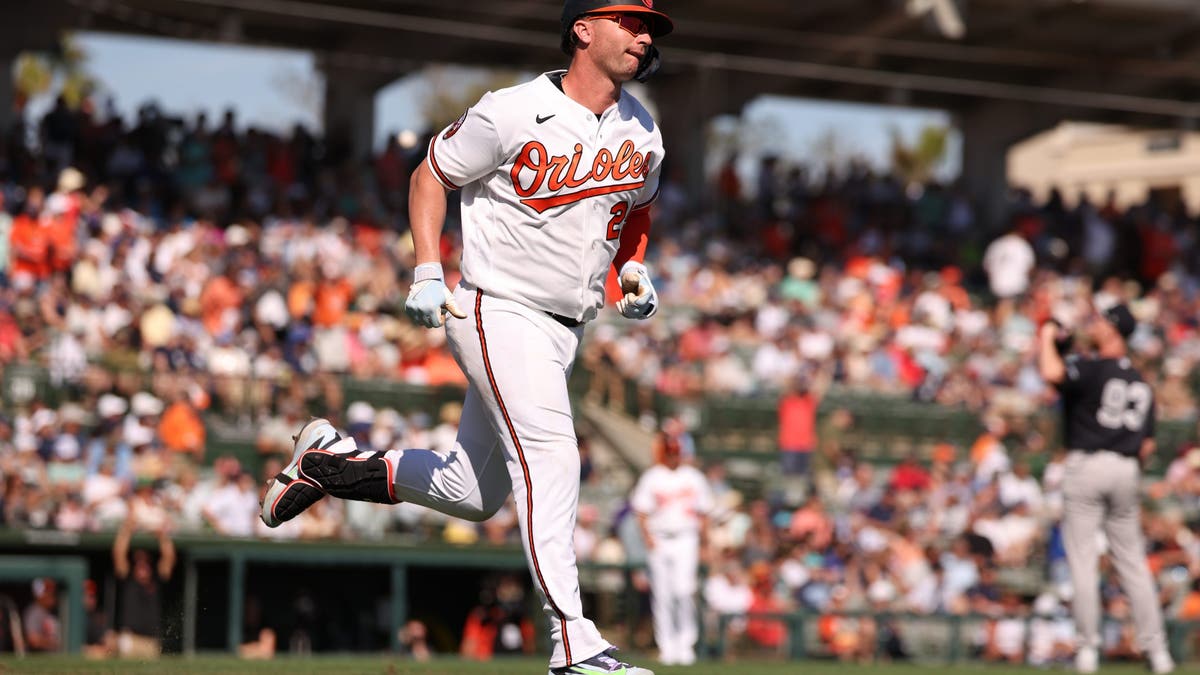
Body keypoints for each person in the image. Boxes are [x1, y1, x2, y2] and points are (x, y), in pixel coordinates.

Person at [260, 2, 672, 673]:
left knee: (470, 493)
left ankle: (327, 462)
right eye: (629, 20)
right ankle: (574, 646)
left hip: (565, 329)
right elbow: (431, 174)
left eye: (651, 25)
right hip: (498, 307)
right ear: (583, 29)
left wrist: (632, 266)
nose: (646, 34)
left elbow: (635, 207)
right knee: (553, 457)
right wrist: (427, 267)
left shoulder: (644, 129)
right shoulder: (511, 109)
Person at [1037, 304, 1174, 674]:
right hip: (1127, 469)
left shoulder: (1093, 367)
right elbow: (1147, 446)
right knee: (1132, 564)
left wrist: (1047, 335)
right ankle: (1158, 652)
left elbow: (1050, 372)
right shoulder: (1141, 381)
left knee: (1082, 561)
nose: (1093, 324)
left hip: (1088, 464)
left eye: (1100, 320)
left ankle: (1087, 650)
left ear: (1113, 329)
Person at [630, 433, 713, 666]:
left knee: (684, 591)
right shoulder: (652, 477)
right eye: (670, 452)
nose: (673, 456)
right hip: (660, 538)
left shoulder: (693, 477)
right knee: (663, 595)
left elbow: (704, 512)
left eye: (676, 452)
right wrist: (648, 539)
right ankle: (667, 646)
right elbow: (641, 511)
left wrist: (705, 544)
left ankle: (686, 644)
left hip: (687, 537)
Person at [112, 516, 176, 659]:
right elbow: (118, 553)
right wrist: (127, 531)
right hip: (130, 638)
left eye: (145, 563)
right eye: (138, 563)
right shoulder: (128, 580)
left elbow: (169, 557)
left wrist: (162, 536)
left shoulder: (156, 580)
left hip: (151, 640)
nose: (142, 566)